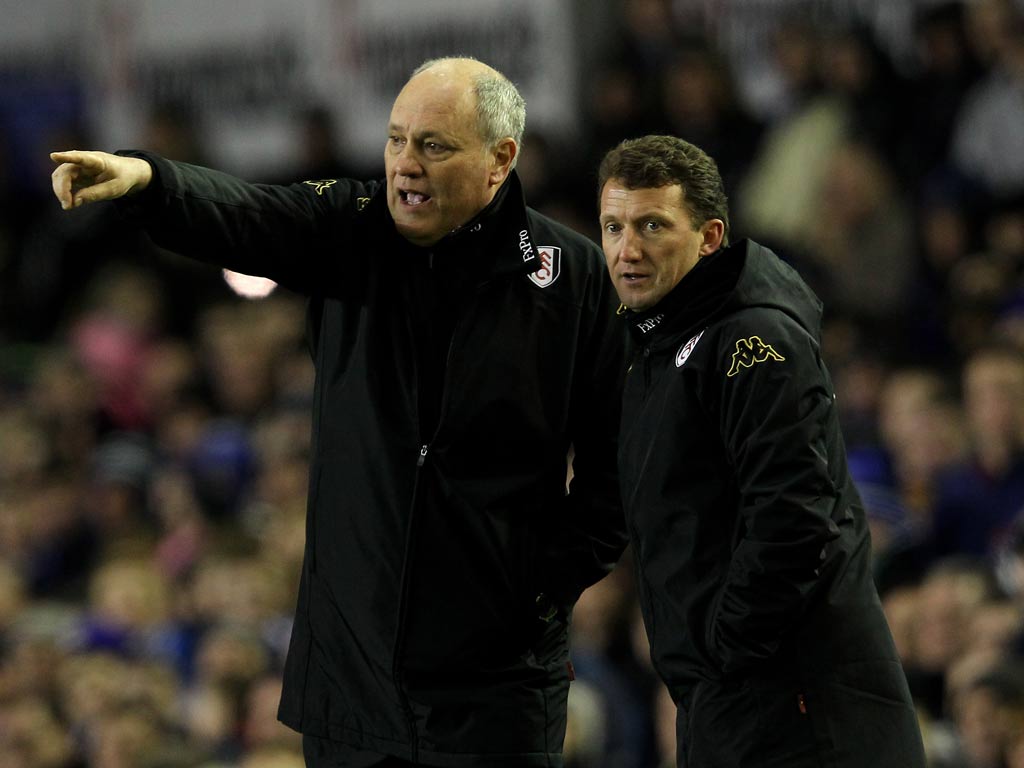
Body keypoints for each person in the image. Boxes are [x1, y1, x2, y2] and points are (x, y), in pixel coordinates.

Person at [50, 57, 628, 767]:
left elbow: (616, 468)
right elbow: (248, 214)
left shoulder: (573, 280)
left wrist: (541, 588)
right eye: (395, 140)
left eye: (433, 146)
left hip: (496, 690)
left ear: (499, 160)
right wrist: (148, 179)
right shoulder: (348, 227)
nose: (405, 165)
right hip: (352, 685)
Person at [596, 134, 926, 767]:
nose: (626, 250)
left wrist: (724, 649)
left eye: (652, 226)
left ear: (710, 236)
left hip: (797, 705)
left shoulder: (753, 339)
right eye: (613, 227)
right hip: (728, 701)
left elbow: (795, 515)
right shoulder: (654, 349)